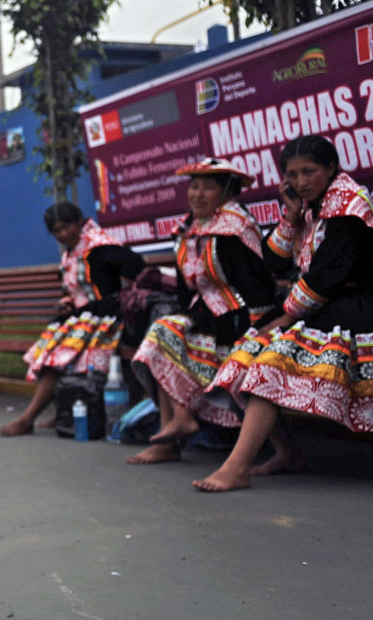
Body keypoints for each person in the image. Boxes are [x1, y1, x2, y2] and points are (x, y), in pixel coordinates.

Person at [195, 136, 373, 492]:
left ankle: (237, 468)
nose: (301, 181)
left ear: (331, 168)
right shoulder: (308, 207)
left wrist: (285, 318)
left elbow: (327, 276)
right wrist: (290, 217)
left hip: (356, 308)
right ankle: (287, 451)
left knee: (272, 361)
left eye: (309, 171)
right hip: (320, 306)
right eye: (292, 175)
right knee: (246, 356)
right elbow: (273, 262)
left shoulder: (350, 205)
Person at [127, 158, 276, 465]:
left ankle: (176, 428)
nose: (197, 194)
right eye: (194, 187)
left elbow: (258, 289)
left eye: (208, 187)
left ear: (228, 192)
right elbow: (187, 291)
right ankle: (175, 428)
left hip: (240, 323)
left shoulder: (235, 228)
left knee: (168, 336)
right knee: (162, 334)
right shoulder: (188, 230)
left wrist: (254, 327)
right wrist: (189, 321)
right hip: (206, 319)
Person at [0, 201, 146, 436]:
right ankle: (63, 411)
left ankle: (27, 419)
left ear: (79, 222)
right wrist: (68, 304)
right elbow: (74, 290)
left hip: (105, 323)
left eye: (66, 227)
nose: (62, 234)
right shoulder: (71, 252)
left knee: (57, 357)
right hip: (82, 320)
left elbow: (137, 268)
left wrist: (117, 299)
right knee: (48, 352)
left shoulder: (99, 246)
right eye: (56, 231)